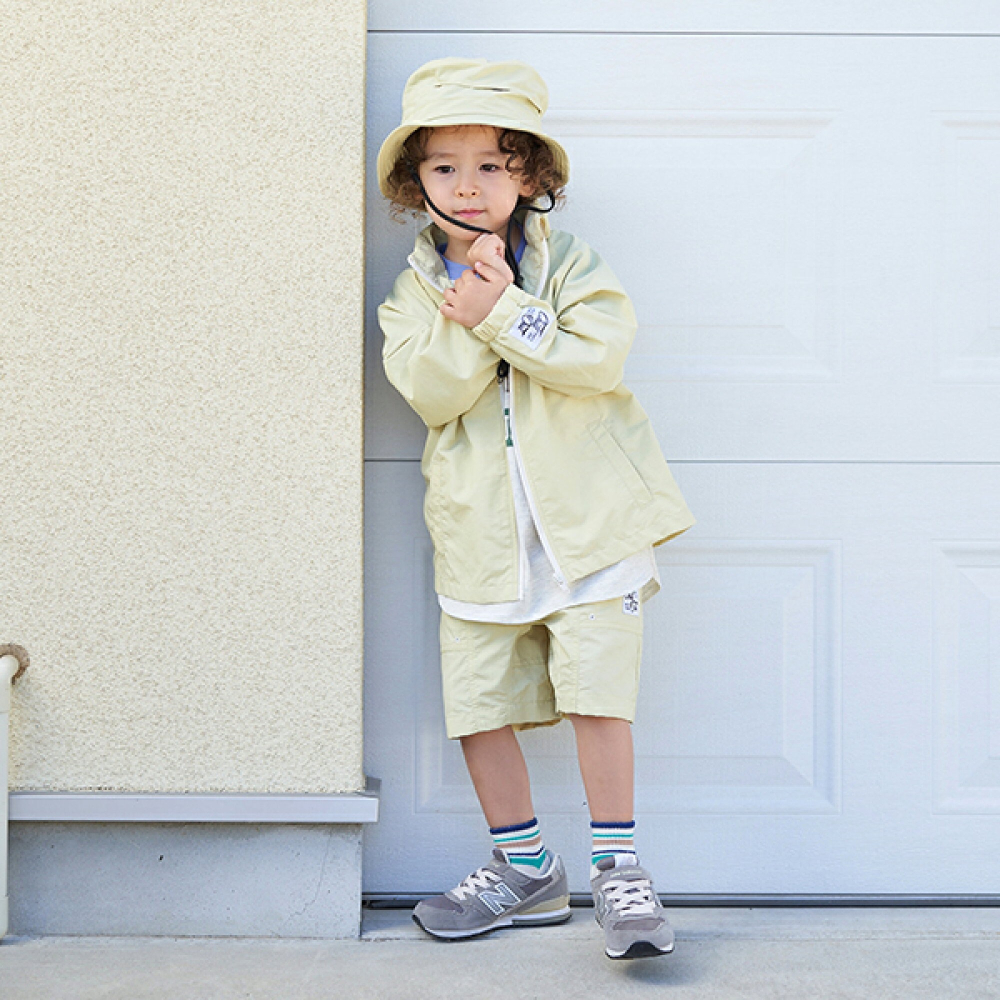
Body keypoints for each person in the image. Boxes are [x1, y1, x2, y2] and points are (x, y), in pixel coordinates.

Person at [376, 57, 696, 961]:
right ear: (416, 183)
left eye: (492, 164)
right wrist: (465, 313)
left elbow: (596, 358)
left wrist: (503, 306)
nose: (468, 186)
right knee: (480, 705)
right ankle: (525, 869)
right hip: (481, 539)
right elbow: (432, 392)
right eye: (444, 167)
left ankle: (618, 871)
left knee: (600, 697)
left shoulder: (572, 266)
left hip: (592, 532)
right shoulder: (410, 295)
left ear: (531, 177)